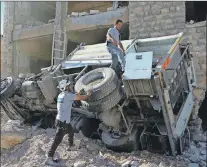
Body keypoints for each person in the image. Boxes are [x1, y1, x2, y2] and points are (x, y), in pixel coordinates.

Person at [45, 81, 91, 166]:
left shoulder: (61, 95)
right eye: (69, 86)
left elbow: (73, 96)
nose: (71, 87)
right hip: (63, 121)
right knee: (57, 140)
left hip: (62, 119)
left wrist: (78, 93)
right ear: (65, 88)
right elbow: (83, 98)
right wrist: (88, 94)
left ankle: (71, 146)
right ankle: (49, 158)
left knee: (71, 132)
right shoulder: (68, 96)